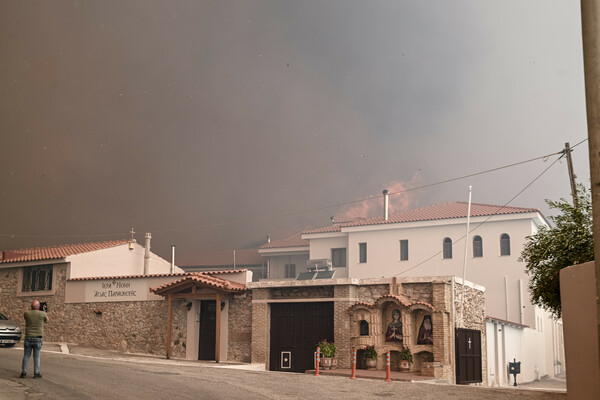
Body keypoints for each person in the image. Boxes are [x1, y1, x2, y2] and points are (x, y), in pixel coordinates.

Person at [20, 300, 48, 379]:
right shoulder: (42, 314)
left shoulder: (26, 314)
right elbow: (47, 321)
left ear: (31, 306)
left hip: (28, 337)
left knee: (26, 356)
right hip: (38, 338)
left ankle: (23, 372)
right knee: (36, 356)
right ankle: (36, 373)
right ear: (39, 307)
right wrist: (44, 311)